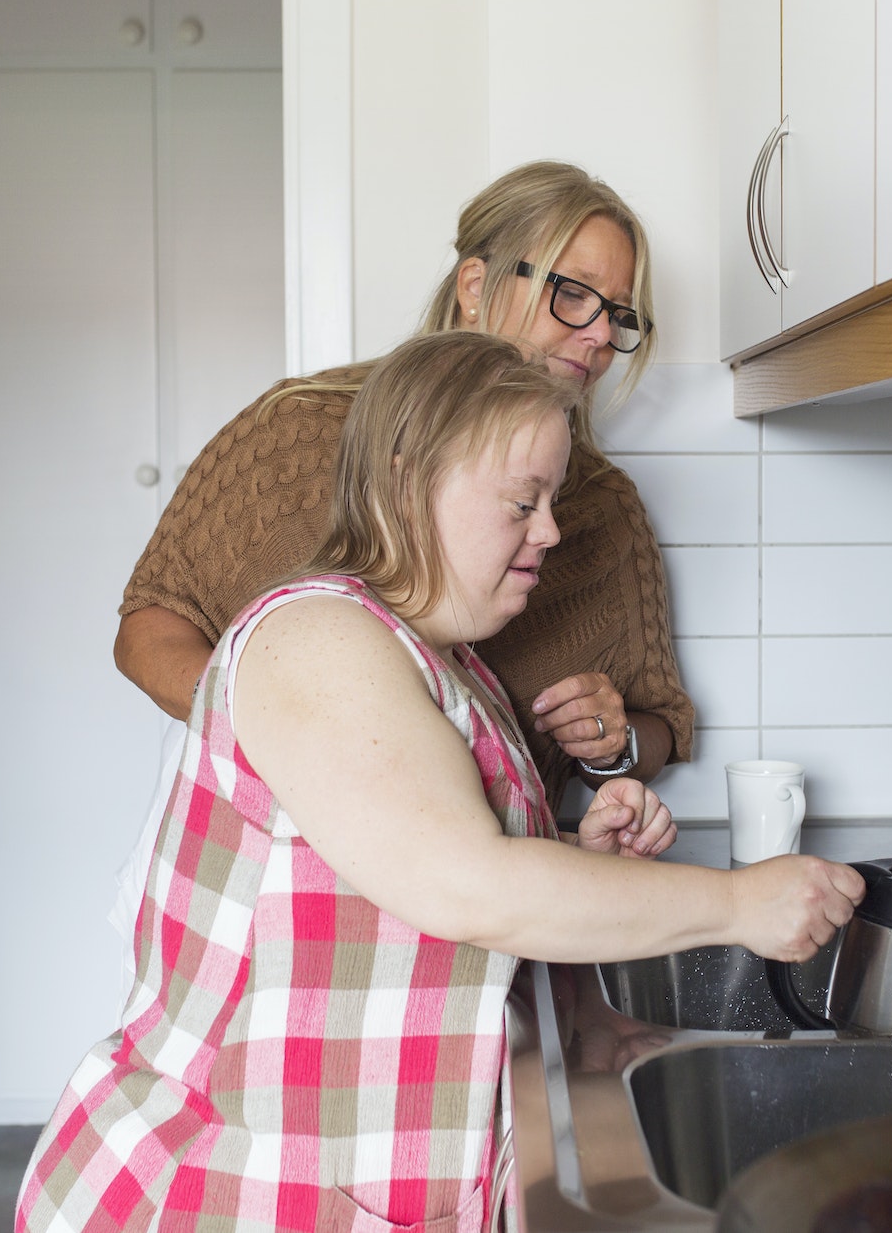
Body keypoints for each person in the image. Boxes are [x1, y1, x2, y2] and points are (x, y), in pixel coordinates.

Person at [17, 335, 864, 1233]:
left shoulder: (444, 664)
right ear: (409, 478)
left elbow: (412, 881)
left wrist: (581, 859)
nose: (551, 529)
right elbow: (467, 884)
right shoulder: (315, 638)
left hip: (337, 1182)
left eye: (553, 500)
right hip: (222, 1186)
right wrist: (738, 904)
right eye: (522, 501)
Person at [111, 165, 695, 924]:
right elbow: (149, 629)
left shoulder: (602, 515)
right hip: (238, 900)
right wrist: (308, 733)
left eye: (616, 313)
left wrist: (611, 745)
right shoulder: (295, 432)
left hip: (470, 927)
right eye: (572, 292)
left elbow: (660, 725)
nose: (596, 335)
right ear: (476, 284)